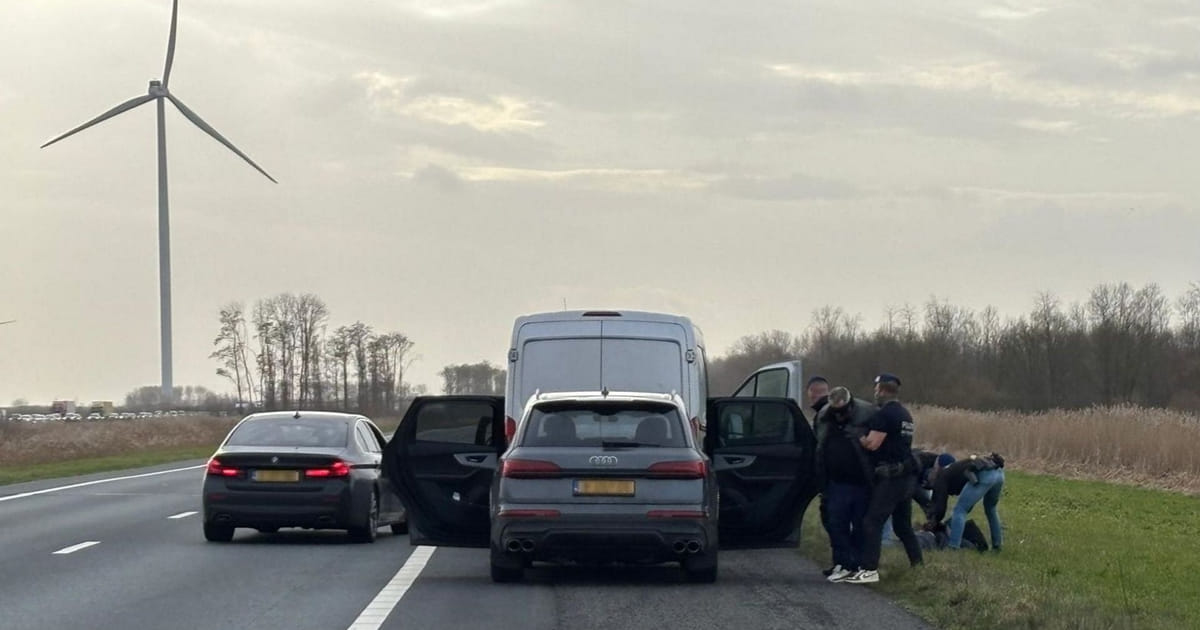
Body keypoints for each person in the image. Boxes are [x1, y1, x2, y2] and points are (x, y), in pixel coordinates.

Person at [843, 373, 923, 584]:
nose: (875, 393)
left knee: (872, 522)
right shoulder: (905, 414)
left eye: (876, 389)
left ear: (883, 390)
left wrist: (857, 434)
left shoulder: (885, 414)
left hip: (891, 479)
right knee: (903, 526)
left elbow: (872, 444)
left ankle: (869, 569)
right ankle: (918, 565)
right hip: (906, 477)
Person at [812, 386, 876, 582]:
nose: (840, 416)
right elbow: (818, 446)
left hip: (861, 482)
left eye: (843, 412)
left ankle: (856, 564)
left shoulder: (868, 414)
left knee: (859, 525)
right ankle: (841, 562)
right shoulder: (824, 417)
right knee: (835, 524)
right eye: (836, 412)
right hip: (835, 483)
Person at [926, 452, 1006, 551]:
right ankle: (997, 545)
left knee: (959, 510)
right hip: (999, 473)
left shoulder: (942, 476)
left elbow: (940, 507)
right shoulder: (955, 468)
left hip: (984, 474)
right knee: (991, 509)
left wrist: (934, 521)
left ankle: (953, 546)